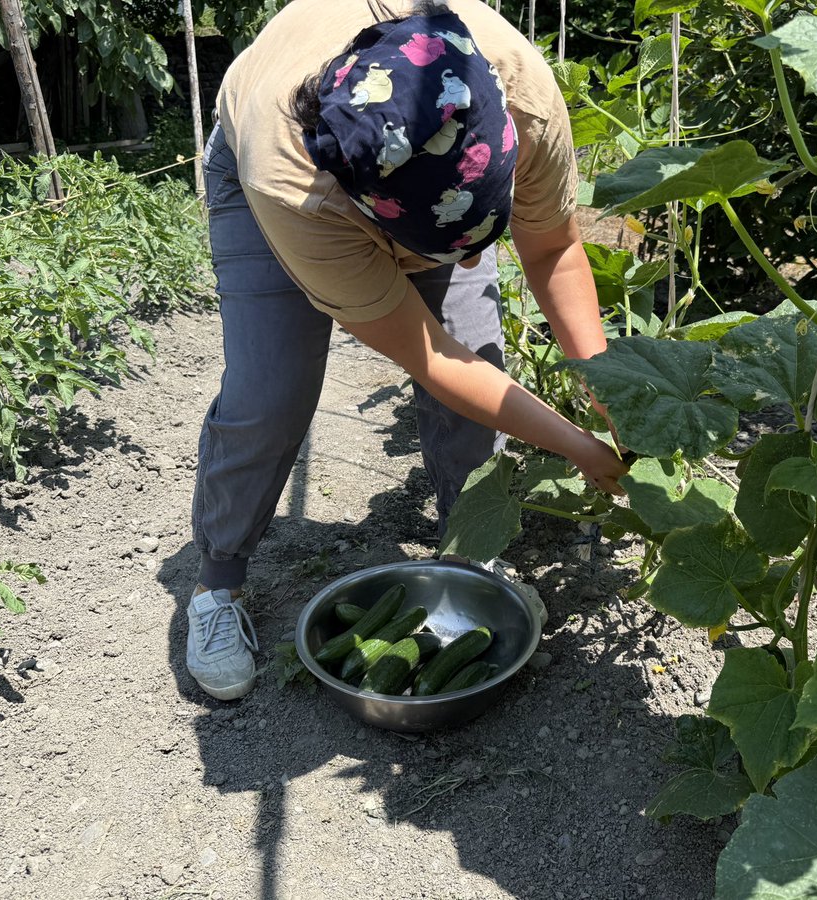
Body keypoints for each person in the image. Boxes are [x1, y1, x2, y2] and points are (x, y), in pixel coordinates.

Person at [185, 0, 629, 701]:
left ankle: (471, 557)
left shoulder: (523, 92)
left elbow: (552, 248)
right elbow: (430, 357)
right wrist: (579, 444)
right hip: (269, 172)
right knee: (272, 392)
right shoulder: (291, 182)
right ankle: (217, 582)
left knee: (480, 350)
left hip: (435, 195)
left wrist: (610, 390)